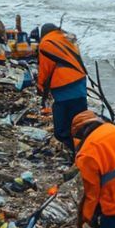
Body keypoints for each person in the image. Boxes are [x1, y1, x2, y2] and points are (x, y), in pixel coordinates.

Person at [37, 23, 88, 157]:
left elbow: (45, 70)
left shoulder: (45, 43)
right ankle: (85, 153)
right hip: (80, 82)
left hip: (64, 87)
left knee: (61, 131)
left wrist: (41, 88)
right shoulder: (67, 39)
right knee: (80, 124)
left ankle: (76, 155)